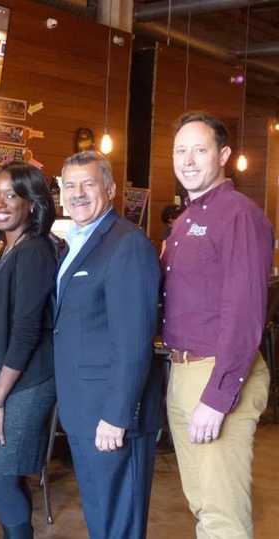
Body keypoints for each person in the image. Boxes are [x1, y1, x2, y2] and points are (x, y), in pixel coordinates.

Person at [163, 111, 273, 538]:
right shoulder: (188, 217)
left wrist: (218, 394)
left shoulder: (237, 214)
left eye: (200, 150)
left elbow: (245, 312)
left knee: (222, 515)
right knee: (204, 504)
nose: (188, 160)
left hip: (215, 373)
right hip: (184, 371)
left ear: (223, 155)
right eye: (180, 150)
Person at [53, 151, 162, 538]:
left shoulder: (126, 244)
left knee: (119, 524)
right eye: (70, 185)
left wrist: (117, 414)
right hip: (85, 409)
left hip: (112, 416)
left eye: (88, 184)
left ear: (111, 189)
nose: (77, 194)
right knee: (103, 521)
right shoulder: (77, 241)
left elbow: (133, 340)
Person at [0, 162, 58, 539]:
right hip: (2, 369)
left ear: (32, 203)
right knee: (0, 473)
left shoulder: (35, 252)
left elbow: (26, 332)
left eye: (11, 194)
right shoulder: (7, 248)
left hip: (25, 378)